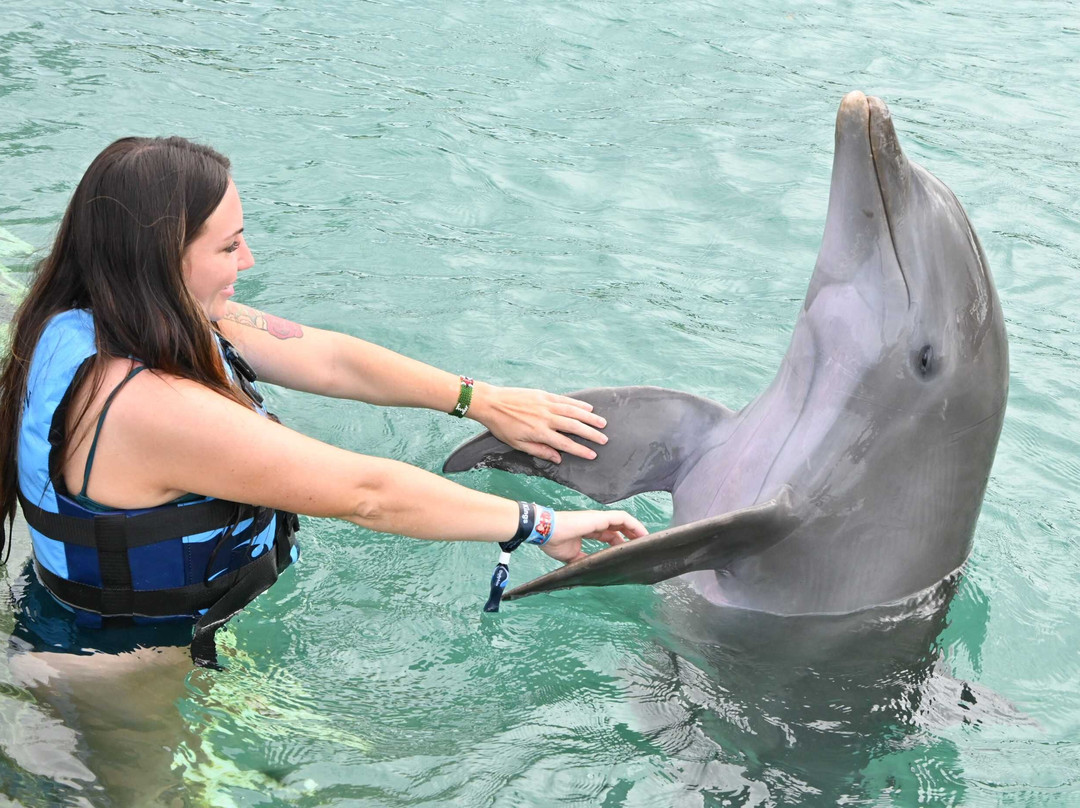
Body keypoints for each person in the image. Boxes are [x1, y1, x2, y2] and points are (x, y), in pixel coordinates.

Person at [0, 136, 646, 668]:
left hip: (125, 621)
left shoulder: (95, 317)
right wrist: (541, 524)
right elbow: (368, 493)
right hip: (126, 670)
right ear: (160, 259)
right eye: (227, 247)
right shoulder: (147, 406)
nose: (246, 260)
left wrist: (478, 400)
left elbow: (327, 357)